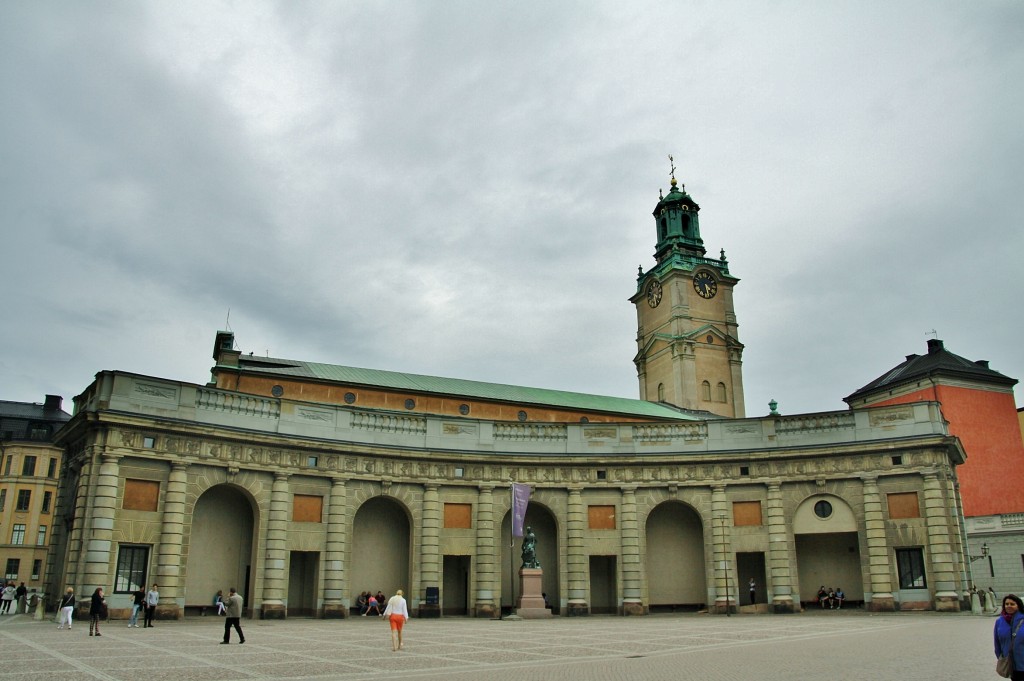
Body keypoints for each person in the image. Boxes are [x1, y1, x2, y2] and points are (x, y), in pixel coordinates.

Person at [994, 594, 1024, 680]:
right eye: (1006, 604)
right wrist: (1002, 657)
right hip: (1010, 663)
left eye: (1012, 604)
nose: (1009, 606)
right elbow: (997, 643)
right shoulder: (999, 621)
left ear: (1018, 605)